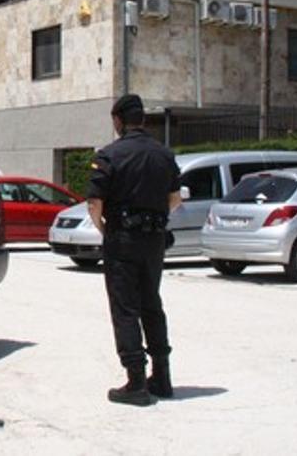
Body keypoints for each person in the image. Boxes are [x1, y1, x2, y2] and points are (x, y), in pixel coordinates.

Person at [86, 94, 182, 406]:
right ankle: (162, 376)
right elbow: (175, 199)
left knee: (125, 307)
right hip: (154, 239)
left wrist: (106, 229)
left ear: (118, 120)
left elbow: (94, 203)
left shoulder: (110, 155)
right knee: (151, 303)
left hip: (123, 238)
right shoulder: (164, 155)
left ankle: (136, 381)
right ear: (142, 119)